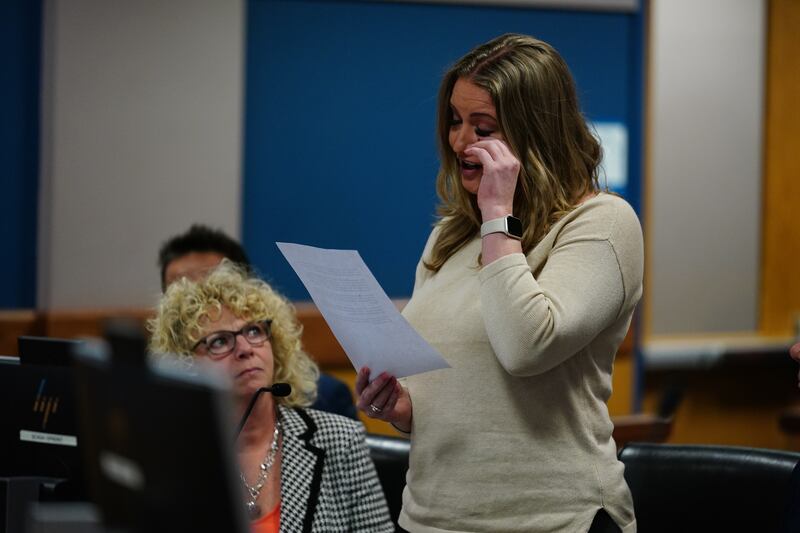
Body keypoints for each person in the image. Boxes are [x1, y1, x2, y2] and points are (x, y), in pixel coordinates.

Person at [355, 34, 643, 532]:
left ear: (536, 134)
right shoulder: (449, 236)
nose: (461, 141)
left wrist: (496, 214)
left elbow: (526, 347)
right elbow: (462, 379)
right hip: (430, 516)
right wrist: (407, 408)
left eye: (482, 127)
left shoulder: (602, 222)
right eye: (454, 120)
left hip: (554, 519)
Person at [148, 261, 394, 533]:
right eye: (219, 341)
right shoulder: (172, 455)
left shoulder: (341, 440)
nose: (244, 349)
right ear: (185, 365)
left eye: (254, 331)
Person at [157, 224, 358, 420]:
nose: (200, 300)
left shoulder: (327, 405)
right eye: (179, 290)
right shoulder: (162, 414)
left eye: (217, 281)